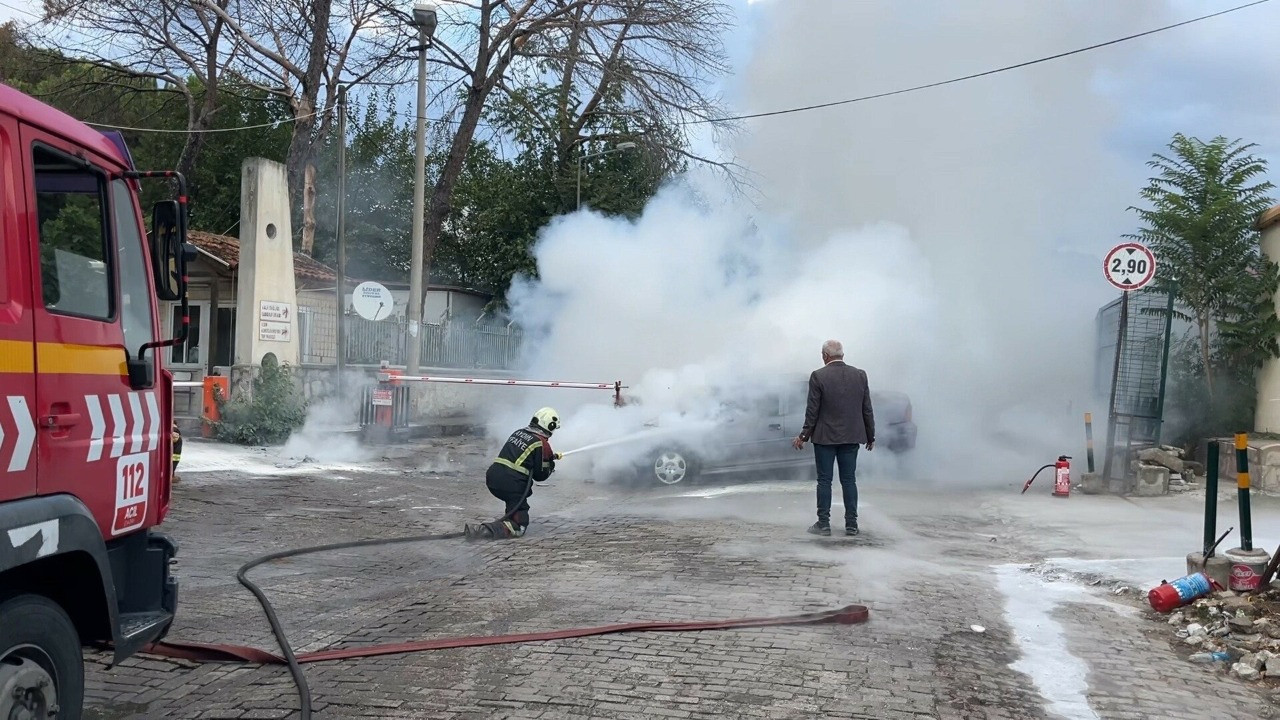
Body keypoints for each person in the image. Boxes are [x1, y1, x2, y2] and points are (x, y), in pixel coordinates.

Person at [792, 340, 875, 536]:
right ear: (842, 355)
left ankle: (824, 523)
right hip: (851, 437)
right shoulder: (860, 375)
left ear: (825, 356)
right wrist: (870, 436)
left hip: (825, 437)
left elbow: (812, 411)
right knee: (849, 480)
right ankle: (852, 524)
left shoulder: (818, 376)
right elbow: (867, 409)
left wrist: (803, 436)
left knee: (824, 481)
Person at [464, 407, 562, 540]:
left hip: (493, 478)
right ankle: (482, 531)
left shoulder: (519, 432)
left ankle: (508, 517)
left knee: (513, 505)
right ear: (550, 426)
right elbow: (540, 475)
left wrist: (546, 458)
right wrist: (551, 465)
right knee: (519, 526)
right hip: (511, 485)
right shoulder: (541, 443)